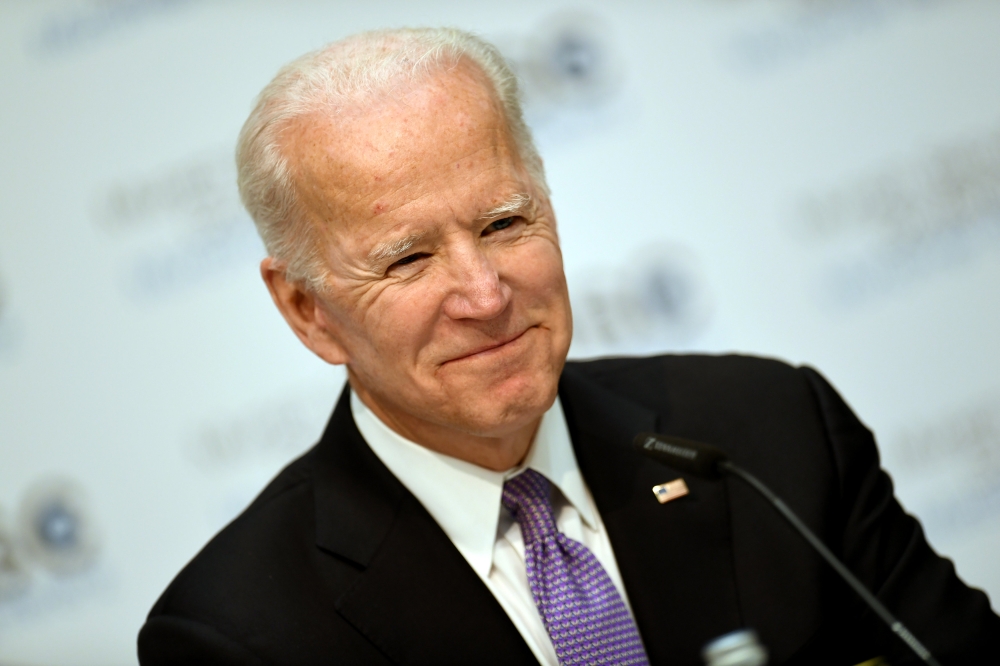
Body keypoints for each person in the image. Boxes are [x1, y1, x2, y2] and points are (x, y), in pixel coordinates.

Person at [138, 28, 998, 665]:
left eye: (505, 222)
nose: (484, 295)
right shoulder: (236, 635)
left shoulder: (773, 435)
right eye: (408, 257)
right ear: (306, 310)